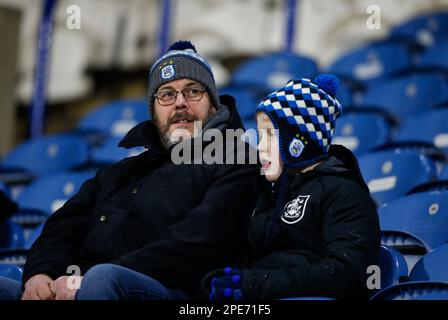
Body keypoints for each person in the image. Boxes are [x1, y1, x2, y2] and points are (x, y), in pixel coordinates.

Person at [0, 40, 261, 300]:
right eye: (167, 94)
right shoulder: (120, 171)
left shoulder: (236, 160)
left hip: (173, 289)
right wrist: (41, 275)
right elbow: (63, 227)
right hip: (84, 283)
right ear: (154, 112)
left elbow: (204, 240)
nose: (180, 103)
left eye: (193, 91)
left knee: (103, 280)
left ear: (214, 105)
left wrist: (90, 279)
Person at [203, 74, 381, 300]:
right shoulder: (266, 194)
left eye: (270, 135)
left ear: (299, 142)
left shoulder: (345, 193)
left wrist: (254, 285)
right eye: (259, 136)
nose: (260, 148)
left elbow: (351, 275)